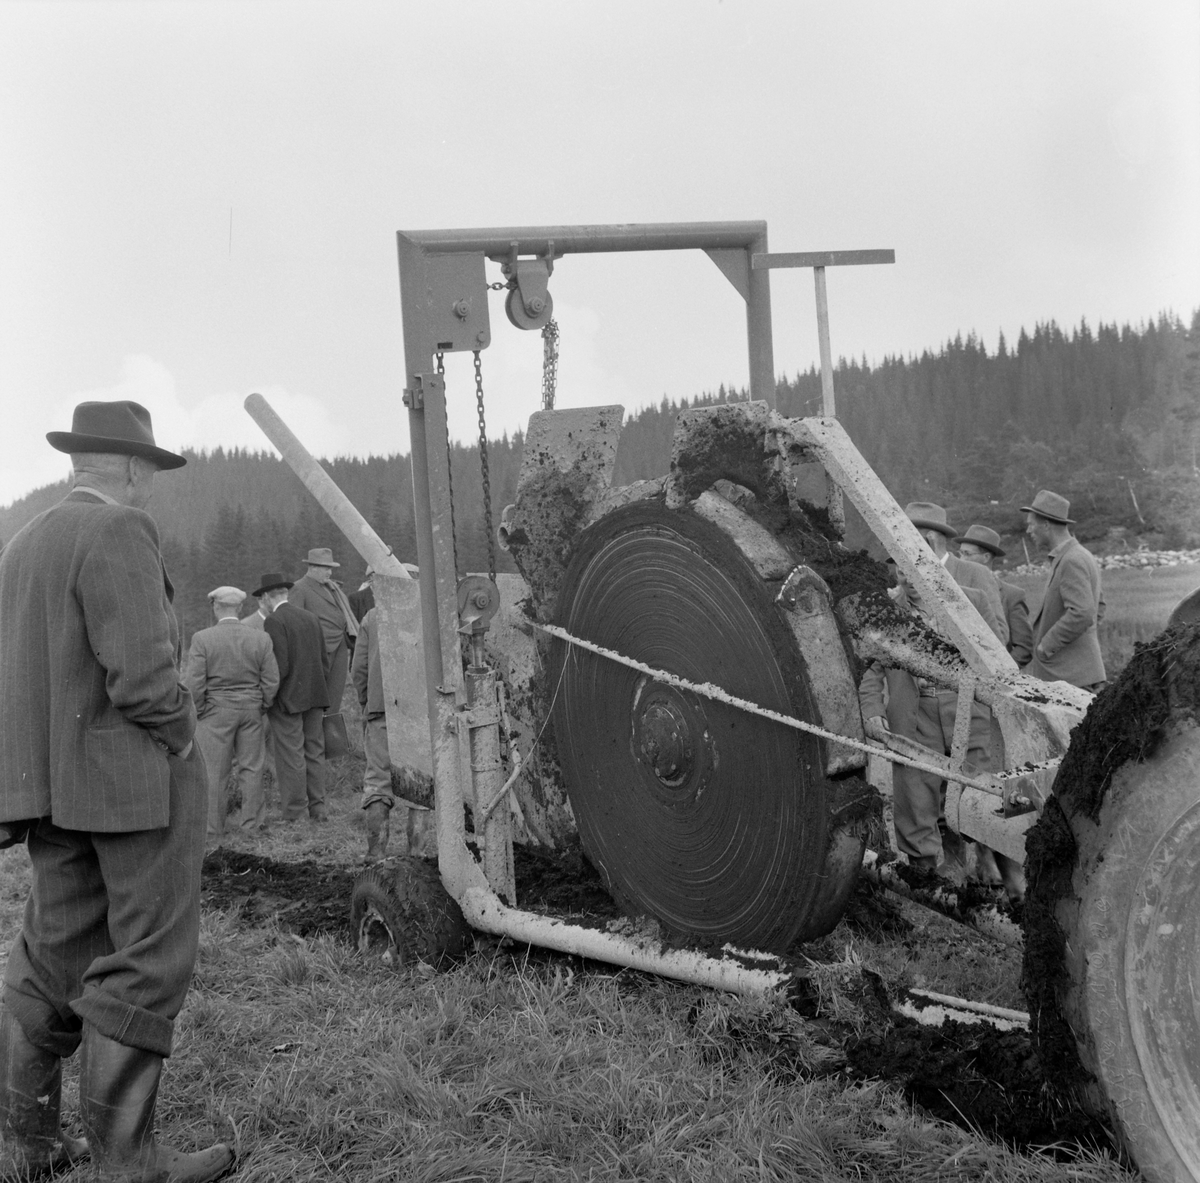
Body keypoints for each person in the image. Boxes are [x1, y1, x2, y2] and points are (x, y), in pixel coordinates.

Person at [0, 400, 233, 1181]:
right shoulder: (119, 529)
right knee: (149, 955)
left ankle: (26, 1144)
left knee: (51, 955)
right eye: (151, 473)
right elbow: (141, 673)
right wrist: (181, 734)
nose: (151, 488)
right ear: (132, 467)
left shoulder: (23, 540)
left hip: (47, 788)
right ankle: (129, 1161)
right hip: (131, 782)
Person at [185, 586, 279, 846]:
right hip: (251, 710)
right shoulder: (260, 638)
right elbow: (271, 680)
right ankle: (252, 825)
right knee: (252, 768)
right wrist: (261, 705)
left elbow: (193, 683)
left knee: (214, 772)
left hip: (215, 712)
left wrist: (201, 710)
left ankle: (213, 831)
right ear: (240, 608)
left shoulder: (202, 639)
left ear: (216, 607)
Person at [256, 572, 331, 823]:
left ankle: (296, 814)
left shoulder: (274, 621)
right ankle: (318, 809)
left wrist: (269, 698)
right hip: (315, 696)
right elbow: (324, 661)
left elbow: (280, 666)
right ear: (285, 593)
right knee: (314, 751)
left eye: (261, 598)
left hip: (287, 701)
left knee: (291, 756)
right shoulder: (310, 617)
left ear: (267, 597)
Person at [1021, 490, 1106, 690]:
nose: (1028, 530)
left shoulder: (1071, 560)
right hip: (1080, 674)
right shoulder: (1081, 555)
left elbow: (1083, 613)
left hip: (1070, 678)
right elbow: (1098, 608)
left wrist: (1045, 647)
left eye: (1031, 524)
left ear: (1046, 525)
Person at [903, 502, 1008, 645]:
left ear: (930, 538)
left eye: (905, 537)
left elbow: (999, 635)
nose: (900, 543)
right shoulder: (904, 577)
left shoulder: (976, 573)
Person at [286, 548, 358, 720]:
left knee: (335, 695)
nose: (330, 572)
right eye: (326, 568)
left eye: (330, 568)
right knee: (318, 698)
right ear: (313, 568)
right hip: (317, 651)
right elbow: (295, 624)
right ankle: (316, 736)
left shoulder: (332, 588)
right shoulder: (299, 588)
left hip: (339, 646)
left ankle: (331, 739)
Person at [954, 524, 1034, 666]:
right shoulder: (955, 588)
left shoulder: (1012, 595)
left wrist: (1000, 672)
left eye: (967, 554)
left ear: (986, 557)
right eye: (960, 553)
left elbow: (1024, 648)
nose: (961, 559)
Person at [350, 605, 394, 861]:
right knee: (422, 786)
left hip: (382, 710)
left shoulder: (374, 616)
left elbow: (359, 669)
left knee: (378, 782)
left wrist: (367, 701)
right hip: (425, 712)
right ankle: (418, 851)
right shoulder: (434, 609)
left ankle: (376, 852)